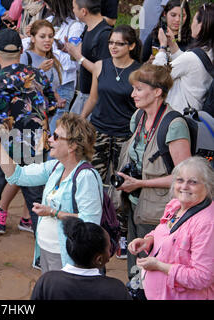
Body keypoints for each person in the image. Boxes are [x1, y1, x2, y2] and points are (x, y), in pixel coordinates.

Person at [0, 28, 57, 267]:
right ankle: (42, 258)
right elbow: (51, 107)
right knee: (37, 202)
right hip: (34, 147)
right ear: (22, 50)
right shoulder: (38, 75)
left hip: (4, 148)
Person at [0, 112, 103, 273]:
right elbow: (17, 175)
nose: (50, 139)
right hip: (46, 252)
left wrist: (52, 212)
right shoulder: (56, 167)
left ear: (72, 146)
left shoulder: (86, 177)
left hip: (68, 258)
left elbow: (90, 221)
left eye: (57, 137)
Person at [115, 64, 192, 279]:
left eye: (139, 89)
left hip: (158, 211)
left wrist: (140, 184)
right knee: (134, 265)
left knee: (151, 271)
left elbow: (184, 178)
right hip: (134, 203)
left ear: (157, 91)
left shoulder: (174, 125)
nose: (133, 94)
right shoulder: (138, 118)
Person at [128, 157, 214, 300]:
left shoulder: (207, 224)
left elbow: (202, 277)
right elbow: (164, 233)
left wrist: (160, 266)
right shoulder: (175, 206)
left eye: (193, 182)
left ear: (208, 186)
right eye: (180, 180)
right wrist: (148, 241)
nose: (184, 187)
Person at [82, 25, 142, 182]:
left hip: (125, 134)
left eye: (119, 43)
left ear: (131, 46)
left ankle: (117, 208)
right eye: (111, 42)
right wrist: (82, 118)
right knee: (93, 178)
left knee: (121, 181)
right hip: (99, 130)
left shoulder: (139, 72)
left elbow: (141, 106)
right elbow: (93, 98)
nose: (113, 47)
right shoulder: (100, 66)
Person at [31, 217, 132, 300]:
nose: (110, 253)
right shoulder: (116, 289)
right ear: (99, 259)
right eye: (109, 249)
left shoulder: (48, 281)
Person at [153, 3, 214, 113]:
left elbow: (156, 77)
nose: (191, 24)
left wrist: (162, 47)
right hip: (196, 111)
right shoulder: (209, 52)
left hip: (179, 115)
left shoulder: (190, 58)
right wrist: (173, 44)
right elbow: (193, 65)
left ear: (201, 25)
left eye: (194, 20)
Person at [42, 0, 85, 135]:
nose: (45, 6)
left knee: (56, 131)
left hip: (63, 84)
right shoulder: (49, 20)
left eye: (47, 2)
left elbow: (73, 61)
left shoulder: (75, 26)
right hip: (46, 83)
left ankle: (53, 157)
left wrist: (50, 51)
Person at [65, 0, 112, 116]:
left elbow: (102, 71)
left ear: (84, 11)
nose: (73, 11)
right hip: (83, 93)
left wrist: (78, 56)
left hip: (94, 99)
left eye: (74, 8)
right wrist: (71, 49)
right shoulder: (88, 28)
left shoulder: (104, 34)